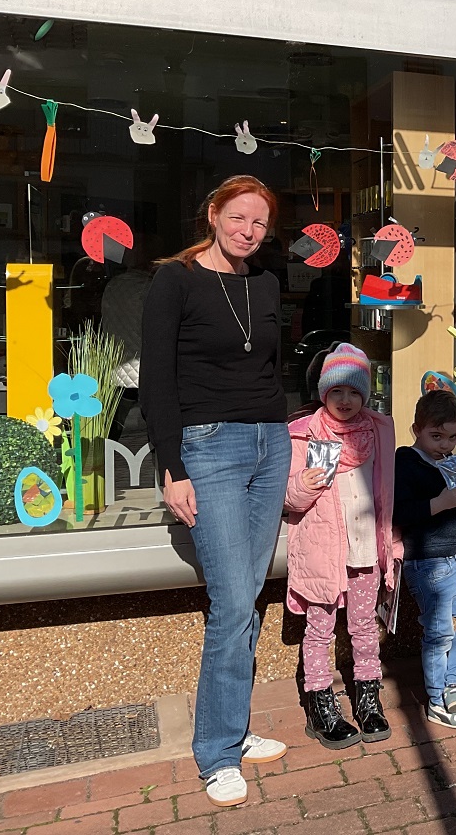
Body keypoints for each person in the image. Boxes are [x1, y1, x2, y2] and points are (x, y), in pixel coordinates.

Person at [140, 176, 292, 807]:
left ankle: (232, 723)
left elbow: (269, 369)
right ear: (213, 214)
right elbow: (157, 380)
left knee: (249, 594)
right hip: (209, 450)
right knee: (232, 602)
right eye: (238, 218)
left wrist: (293, 438)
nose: (248, 231)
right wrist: (172, 468)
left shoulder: (266, 283)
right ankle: (217, 751)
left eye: (259, 223)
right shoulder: (174, 281)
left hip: (269, 444)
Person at [285, 343, 398, 749]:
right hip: (323, 553)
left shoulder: (379, 430)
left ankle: (368, 698)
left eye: (354, 392)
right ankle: (320, 704)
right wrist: (301, 486)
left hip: (366, 548)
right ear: (323, 393)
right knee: (320, 629)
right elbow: (287, 501)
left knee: (365, 627)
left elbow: (387, 492)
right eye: (337, 392)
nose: (346, 400)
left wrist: (393, 541)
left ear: (366, 394)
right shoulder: (304, 433)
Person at [394, 390, 456, 729]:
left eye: (452, 437)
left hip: (451, 559)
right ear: (416, 430)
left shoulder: (449, 462)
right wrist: (440, 502)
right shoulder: (406, 462)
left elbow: (455, 507)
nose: (444, 444)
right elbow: (401, 511)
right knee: (438, 634)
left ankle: (455, 683)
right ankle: (437, 700)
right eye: (435, 436)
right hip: (426, 562)